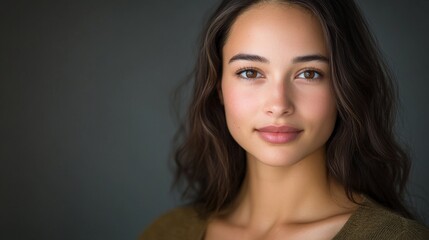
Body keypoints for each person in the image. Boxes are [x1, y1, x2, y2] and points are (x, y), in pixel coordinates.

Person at [141, 0, 429, 239]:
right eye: (250, 72)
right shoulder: (165, 233)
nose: (279, 105)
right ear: (218, 88)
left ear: (345, 87)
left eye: (309, 73)